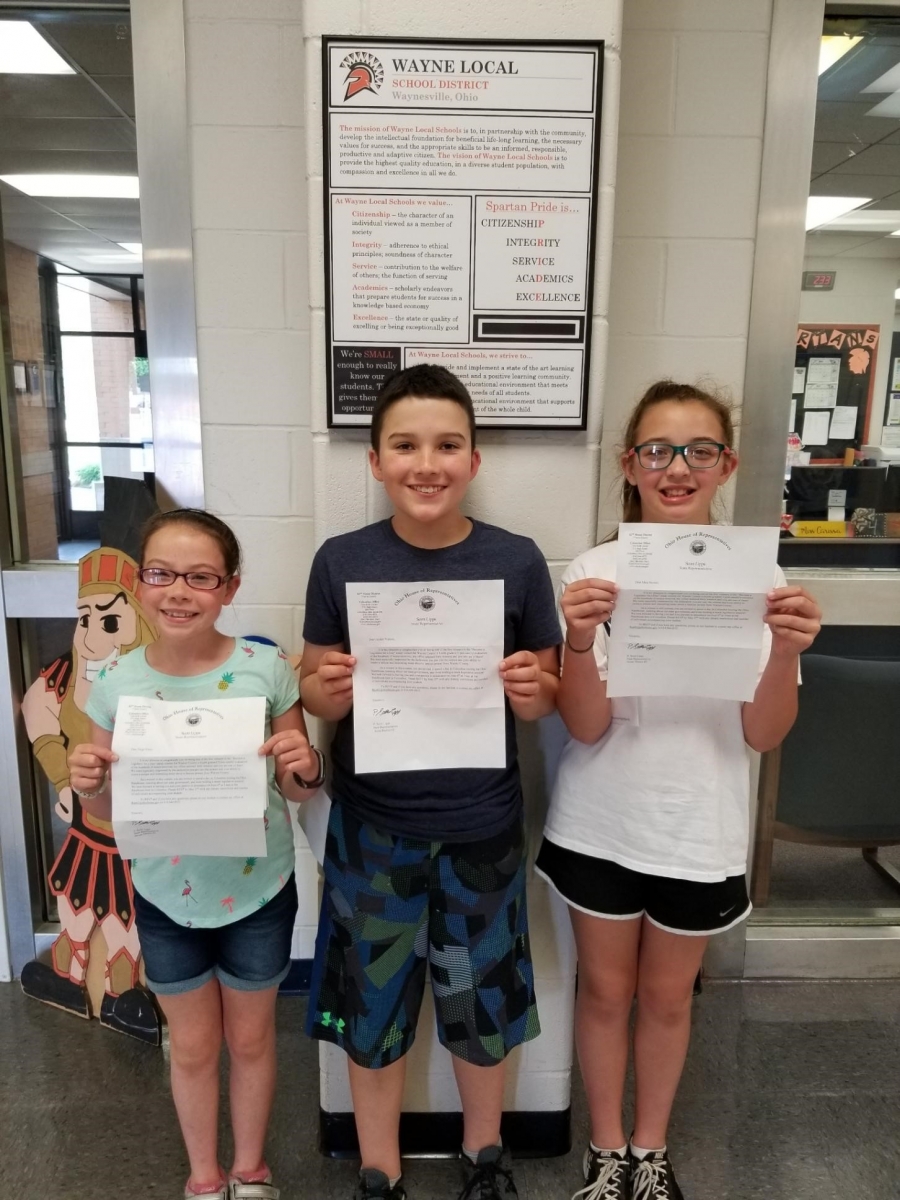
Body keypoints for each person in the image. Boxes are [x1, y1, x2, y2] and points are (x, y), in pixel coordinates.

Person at [535, 381, 822, 1200]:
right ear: (630, 464)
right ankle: (606, 1148)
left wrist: (790, 644)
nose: (677, 467)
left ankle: (651, 1152)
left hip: (699, 824)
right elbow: (584, 726)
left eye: (699, 450)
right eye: (657, 450)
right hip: (601, 820)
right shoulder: (593, 572)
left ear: (726, 463)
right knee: (605, 992)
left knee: (666, 999)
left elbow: (764, 732)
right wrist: (580, 639)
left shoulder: (759, 578)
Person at [300, 364, 561, 1200]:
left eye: (447, 444)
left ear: (474, 460)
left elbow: (549, 686)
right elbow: (310, 682)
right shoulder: (341, 561)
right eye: (405, 444)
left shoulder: (515, 561)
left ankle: (485, 1157)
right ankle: (380, 1171)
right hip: (371, 830)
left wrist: (534, 689)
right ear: (374, 461)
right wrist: (324, 691)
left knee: (482, 1004)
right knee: (370, 1005)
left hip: (482, 828)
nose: (427, 462)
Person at [68, 509, 326, 1200]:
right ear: (139, 582)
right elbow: (106, 812)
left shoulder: (265, 668)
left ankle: (250, 1169)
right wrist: (88, 786)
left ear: (229, 588)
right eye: (161, 574)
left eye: (200, 577)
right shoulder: (116, 682)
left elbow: (298, 786)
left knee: (250, 1041)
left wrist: (306, 760)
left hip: (260, 893)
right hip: (162, 893)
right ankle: (205, 1176)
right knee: (189, 1045)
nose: (179, 591)